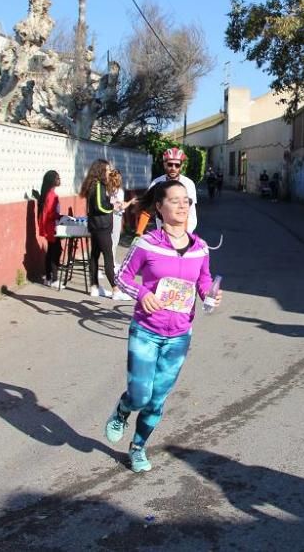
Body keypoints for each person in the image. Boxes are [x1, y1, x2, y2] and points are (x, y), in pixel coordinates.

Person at [103, 180, 222, 472]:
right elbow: (122, 277)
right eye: (175, 201)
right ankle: (122, 409)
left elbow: (203, 280)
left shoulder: (200, 248)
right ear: (159, 206)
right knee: (140, 395)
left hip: (180, 336)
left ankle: (138, 448)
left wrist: (210, 294)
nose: (182, 206)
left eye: (187, 201)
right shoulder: (146, 243)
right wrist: (143, 294)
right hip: (146, 331)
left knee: (157, 400)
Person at [80, 159, 128, 300]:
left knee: (94, 256)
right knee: (109, 258)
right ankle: (116, 290)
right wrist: (112, 206)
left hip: (95, 226)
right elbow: (100, 207)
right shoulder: (99, 186)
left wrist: (109, 203)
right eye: (107, 170)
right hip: (102, 227)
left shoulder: (93, 185)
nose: (109, 172)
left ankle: (94, 287)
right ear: (101, 171)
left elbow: (97, 204)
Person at [148, 147, 197, 232]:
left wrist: (187, 233)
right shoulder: (156, 183)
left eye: (177, 165)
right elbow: (148, 209)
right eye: (170, 164)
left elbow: (191, 212)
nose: (173, 168)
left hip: (184, 231)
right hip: (162, 232)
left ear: (181, 166)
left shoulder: (189, 184)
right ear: (164, 164)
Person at [36, 170, 63, 289]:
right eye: (57, 178)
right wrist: (60, 216)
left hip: (49, 226)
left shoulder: (48, 194)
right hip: (52, 227)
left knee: (51, 251)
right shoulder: (52, 195)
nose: (59, 180)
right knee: (55, 252)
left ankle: (48, 277)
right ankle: (55, 279)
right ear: (52, 181)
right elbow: (51, 213)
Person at [107, 169, 135, 262]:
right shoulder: (119, 191)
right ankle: (112, 263)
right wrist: (131, 201)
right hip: (116, 216)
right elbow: (121, 206)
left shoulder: (107, 190)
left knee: (108, 240)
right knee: (114, 241)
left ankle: (111, 262)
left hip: (107, 216)